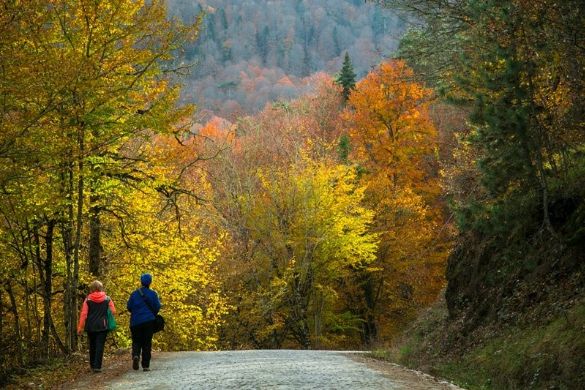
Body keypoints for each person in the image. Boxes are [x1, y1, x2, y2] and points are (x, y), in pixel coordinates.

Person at [77, 280, 116, 373]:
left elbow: (84, 314)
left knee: (92, 345)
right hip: (103, 325)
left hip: (90, 325)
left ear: (92, 289)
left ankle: (92, 365)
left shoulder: (88, 299)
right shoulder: (107, 299)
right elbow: (113, 311)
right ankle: (97, 366)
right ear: (100, 288)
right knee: (100, 345)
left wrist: (80, 327)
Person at [127, 273, 161, 371]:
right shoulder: (153, 294)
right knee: (147, 342)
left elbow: (129, 307)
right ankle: (146, 365)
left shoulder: (134, 294)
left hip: (135, 321)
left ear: (141, 281)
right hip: (148, 321)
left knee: (136, 341)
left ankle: (136, 355)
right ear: (150, 282)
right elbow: (157, 307)